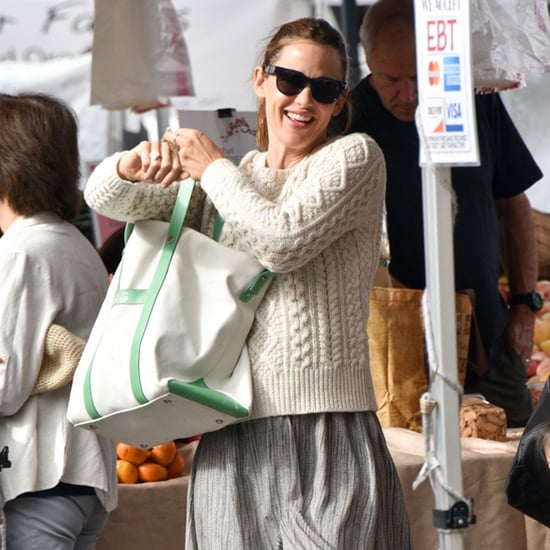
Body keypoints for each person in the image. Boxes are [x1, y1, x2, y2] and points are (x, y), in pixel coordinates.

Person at [84, 17, 413, 550]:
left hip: (326, 428)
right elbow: (106, 199)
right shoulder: (234, 178)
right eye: (289, 81)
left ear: (340, 100)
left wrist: (213, 167)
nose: (304, 100)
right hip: (227, 425)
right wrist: (132, 164)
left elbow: (281, 242)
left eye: (324, 89)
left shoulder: (353, 159)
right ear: (260, 79)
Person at [348, 0, 543, 427]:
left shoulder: (472, 98)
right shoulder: (350, 119)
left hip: (490, 336)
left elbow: (513, 203)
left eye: (420, 76)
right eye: (392, 79)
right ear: (367, 62)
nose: (409, 94)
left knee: (518, 462)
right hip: (394, 345)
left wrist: (525, 305)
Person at [0, 93, 117, 549]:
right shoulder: (71, 242)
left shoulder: (21, 252)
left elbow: (6, 386)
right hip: (83, 476)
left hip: (41, 473)